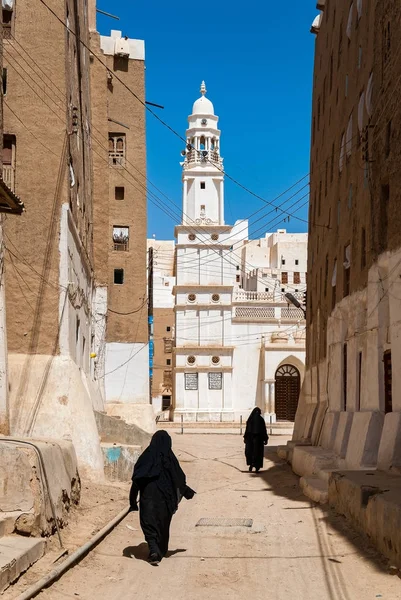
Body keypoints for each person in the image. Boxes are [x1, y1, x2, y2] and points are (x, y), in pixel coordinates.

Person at [129, 430, 195, 565]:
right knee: (163, 525)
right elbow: (178, 479)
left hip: (148, 500)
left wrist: (132, 501)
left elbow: (137, 480)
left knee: (149, 524)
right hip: (166, 501)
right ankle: (158, 550)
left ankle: (154, 550)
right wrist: (187, 492)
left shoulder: (146, 457)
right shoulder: (170, 459)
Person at [243, 407, 268, 473]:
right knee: (257, 453)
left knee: (250, 452)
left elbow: (247, 430)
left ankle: (251, 464)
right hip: (258, 440)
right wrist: (265, 439)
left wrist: (245, 438)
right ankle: (256, 466)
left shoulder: (250, 419)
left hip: (250, 439)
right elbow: (264, 430)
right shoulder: (261, 419)